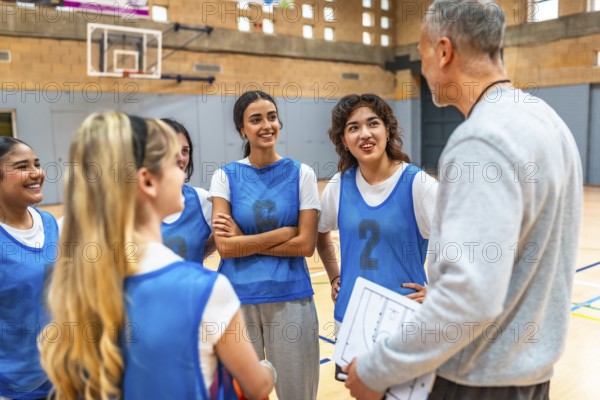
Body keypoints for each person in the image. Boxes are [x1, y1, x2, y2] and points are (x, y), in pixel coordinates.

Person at [343, 1, 583, 399]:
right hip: (528, 376)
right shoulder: (547, 122)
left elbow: (467, 295)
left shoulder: (480, 140)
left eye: (421, 56)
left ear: (443, 51)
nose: (422, 69)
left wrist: (376, 368)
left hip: (478, 380)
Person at [39, 112, 275, 400]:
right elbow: (258, 386)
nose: (182, 169)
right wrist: (266, 370)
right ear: (148, 181)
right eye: (173, 162)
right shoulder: (205, 290)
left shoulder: (76, 283)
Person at [209, 90, 320, 400]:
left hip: (291, 295)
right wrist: (284, 232)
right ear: (242, 129)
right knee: (244, 394)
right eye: (255, 120)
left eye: (271, 117)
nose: (266, 125)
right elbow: (226, 248)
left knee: (299, 393)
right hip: (237, 301)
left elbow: (306, 245)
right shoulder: (224, 176)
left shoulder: (302, 174)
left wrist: (244, 238)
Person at [317, 93, 436, 328]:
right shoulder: (339, 184)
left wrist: (439, 291)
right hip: (350, 316)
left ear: (388, 130)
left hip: (404, 318)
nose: (365, 134)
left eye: (373, 123)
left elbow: (461, 239)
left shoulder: (417, 183)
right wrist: (334, 275)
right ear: (343, 139)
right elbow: (320, 234)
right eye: (354, 128)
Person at [0, 137, 58, 400]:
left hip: (59, 375)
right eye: (23, 166)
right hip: (12, 387)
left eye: (37, 163)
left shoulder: (48, 222)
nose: (36, 173)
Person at [160, 118, 215, 263]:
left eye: (185, 151)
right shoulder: (133, 205)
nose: (181, 158)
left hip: (193, 286)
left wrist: (197, 258)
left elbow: (225, 234)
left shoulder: (202, 199)